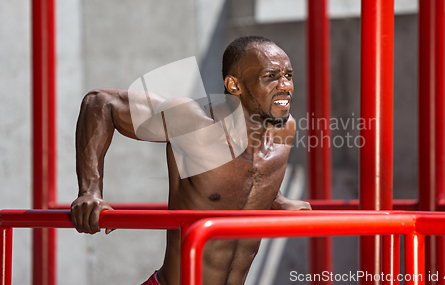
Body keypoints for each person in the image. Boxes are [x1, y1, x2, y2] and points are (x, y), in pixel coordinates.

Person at [70, 35, 311, 285]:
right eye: (271, 76)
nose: (285, 85)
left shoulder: (284, 128)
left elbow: (254, 169)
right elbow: (100, 102)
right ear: (234, 86)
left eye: (288, 75)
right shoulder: (196, 125)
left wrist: (277, 199)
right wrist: (90, 192)